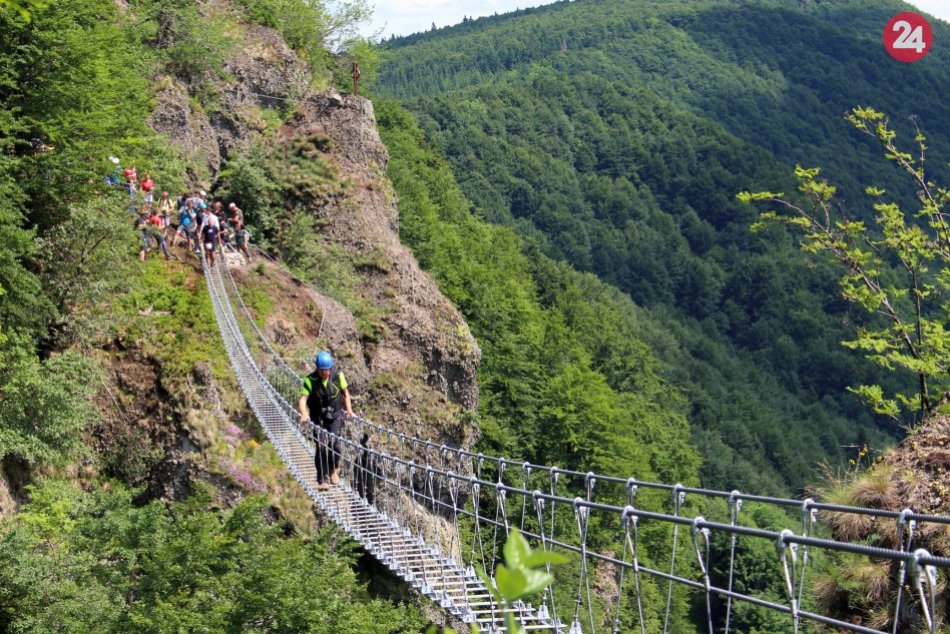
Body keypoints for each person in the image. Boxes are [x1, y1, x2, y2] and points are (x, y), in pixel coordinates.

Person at [298, 351, 353, 490]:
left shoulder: (338, 376)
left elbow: (345, 394)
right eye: (322, 370)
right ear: (317, 368)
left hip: (335, 415)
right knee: (321, 446)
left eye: (327, 369)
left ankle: (333, 469)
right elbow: (303, 399)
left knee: (335, 445)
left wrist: (349, 411)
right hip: (318, 417)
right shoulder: (310, 380)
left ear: (330, 367)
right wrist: (304, 414)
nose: (325, 372)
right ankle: (323, 480)